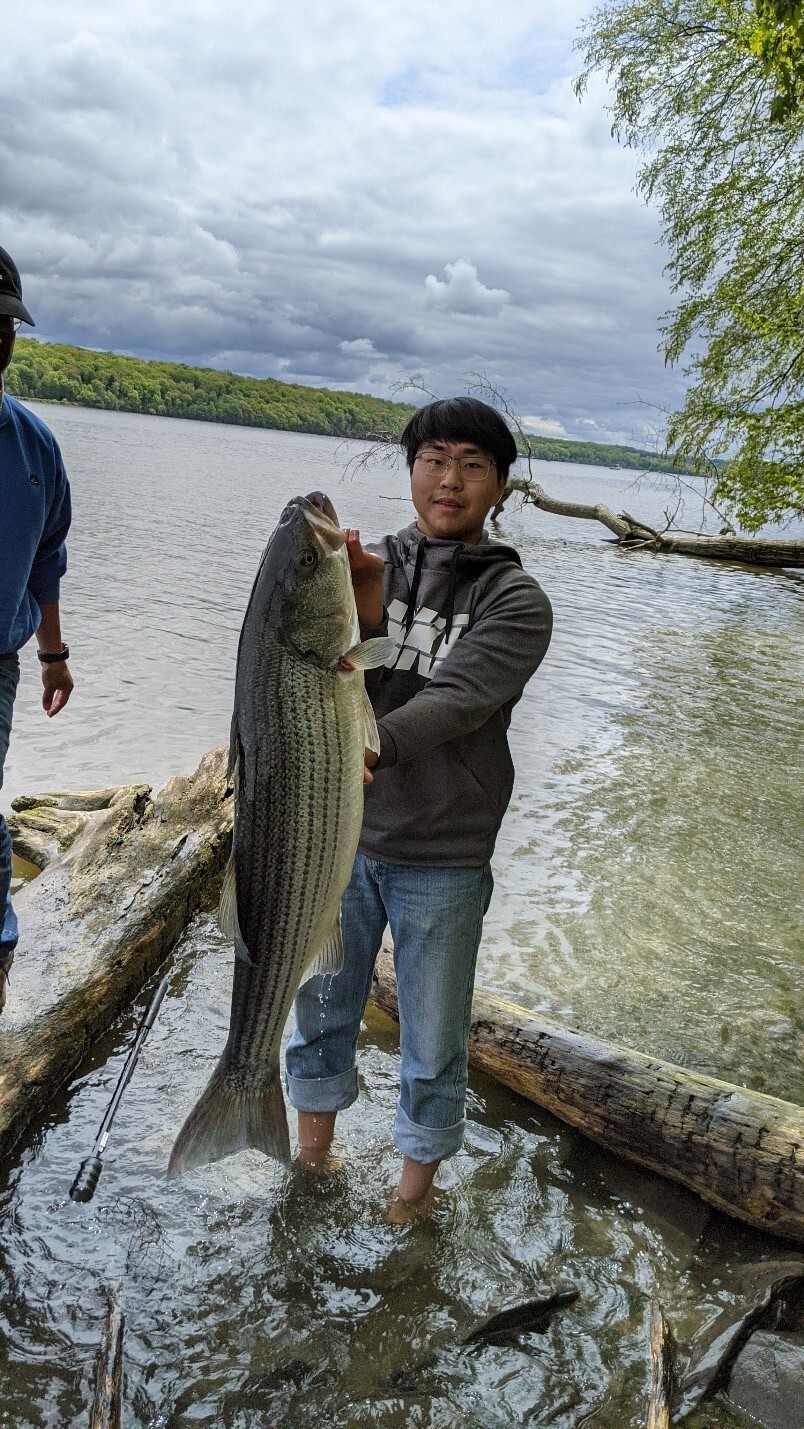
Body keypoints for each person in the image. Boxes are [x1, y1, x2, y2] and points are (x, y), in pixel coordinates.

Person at [285, 396, 553, 1214]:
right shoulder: (367, 566)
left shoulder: (518, 601)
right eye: (434, 458)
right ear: (411, 471)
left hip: (444, 855)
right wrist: (361, 595)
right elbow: (333, 662)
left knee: (433, 1045)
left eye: (473, 464)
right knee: (321, 1007)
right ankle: (312, 1165)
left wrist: (368, 746)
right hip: (343, 837)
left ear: (500, 485)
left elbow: (460, 698)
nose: (450, 479)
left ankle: (411, 1201)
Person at [0, 244, 73, 1013]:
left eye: (6, 322)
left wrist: (54, 655)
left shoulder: (35, 445)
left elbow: (47, 558)